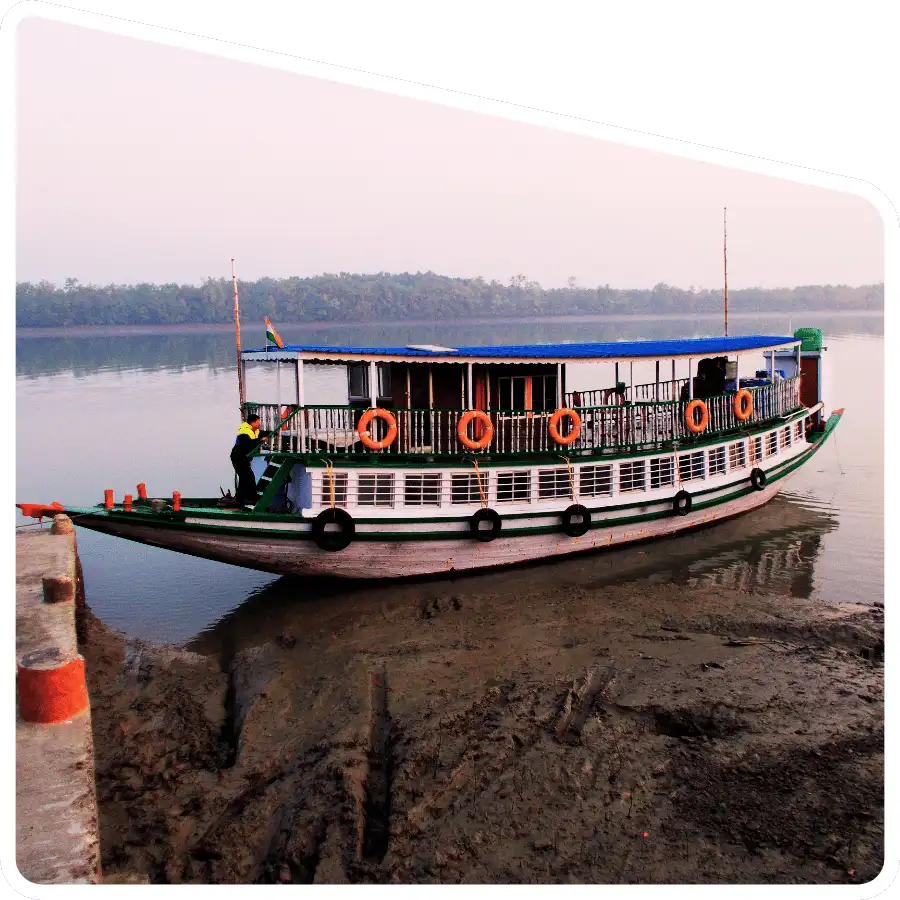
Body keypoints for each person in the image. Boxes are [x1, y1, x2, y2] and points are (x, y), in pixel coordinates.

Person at [230, 413, 269, 509]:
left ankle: (241, 501)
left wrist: (275, 432)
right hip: (238, 457)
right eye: (258, 422)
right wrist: (260, 441)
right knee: (248, 478)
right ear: (253, 422)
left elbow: (262, 433)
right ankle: (251, 498)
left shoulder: (254, 430)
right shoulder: (244, 432)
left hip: (244, 459)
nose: (259, 424)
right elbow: (248, 444)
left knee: (244, 479)